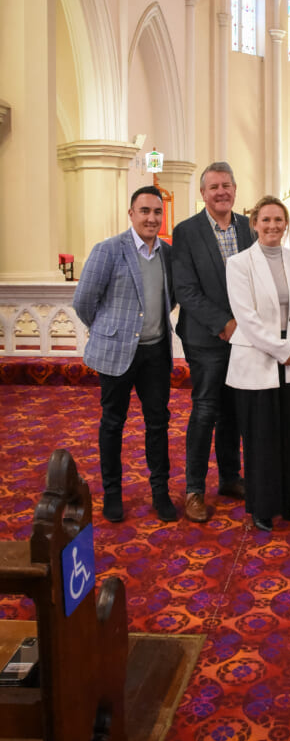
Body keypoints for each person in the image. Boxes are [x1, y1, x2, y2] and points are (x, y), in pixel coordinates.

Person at [73, 186, 176, 523]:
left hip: (155, 353)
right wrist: (109, 331)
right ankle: (113, 494)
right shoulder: (108, 250)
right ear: (131, 214)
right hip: (118, 352)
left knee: (158, 423)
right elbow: (84, 301)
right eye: (144, 211)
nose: (151, 218)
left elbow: (170, 299)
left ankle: (160, 493)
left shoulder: (168, 254)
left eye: (157, 212)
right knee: (113, 423)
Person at [172, 162, 253, 523]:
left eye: (227, 185)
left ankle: (231, 478)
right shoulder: (186, 231)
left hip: (245, 337)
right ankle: (194, 490)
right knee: (206, 411)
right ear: (203, 193)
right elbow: (185, 290)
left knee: (234, 410)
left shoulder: (249, 227)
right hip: (205, 338)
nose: (221, 192)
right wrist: (224, 324)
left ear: (235, 190)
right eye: (214, 187)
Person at [225, 196, 290, 532]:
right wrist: (280, 349)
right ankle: (262, 506)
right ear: (254, 224)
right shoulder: (239, 263)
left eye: (279, 220)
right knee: (261, 437)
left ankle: (289, 501)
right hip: (258, 357)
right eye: (266, 220)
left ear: (286, 223)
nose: (273, 226)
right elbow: (245, 317)